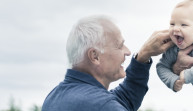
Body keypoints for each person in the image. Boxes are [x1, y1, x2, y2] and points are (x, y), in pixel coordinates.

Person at [42, 15, 175, 111]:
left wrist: (143, 56)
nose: (127, 51)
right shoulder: (102, 105)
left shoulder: (55, 97)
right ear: (95, 56)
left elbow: (124, 99)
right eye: (120, 46)